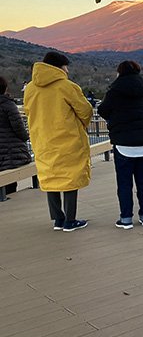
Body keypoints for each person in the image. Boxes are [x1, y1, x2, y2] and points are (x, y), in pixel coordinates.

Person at [23, 52, 93, 232]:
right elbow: (85, 110)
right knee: (70, 178)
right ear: (60, 67)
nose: (67, 70)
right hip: (67, 138)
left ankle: (58, 219)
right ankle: (70, 220)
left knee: (50, 177)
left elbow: (28, 111)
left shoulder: (30, 88)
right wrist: (81, 125)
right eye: (66, 66)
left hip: (42, 139)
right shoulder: (67, 86)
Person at [97, 61, 143, 229]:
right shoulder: (141, 88)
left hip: (123, 143)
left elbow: (103, 110)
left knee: (124, 183)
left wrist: (113, 120)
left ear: (119, 72)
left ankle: (126, 218)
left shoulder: (115, 90)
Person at [0, 76, 32, 195]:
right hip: (10, 150)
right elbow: (18, 127)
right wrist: (26, 137)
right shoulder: (8, 104)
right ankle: (8, 197)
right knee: (9, 181)